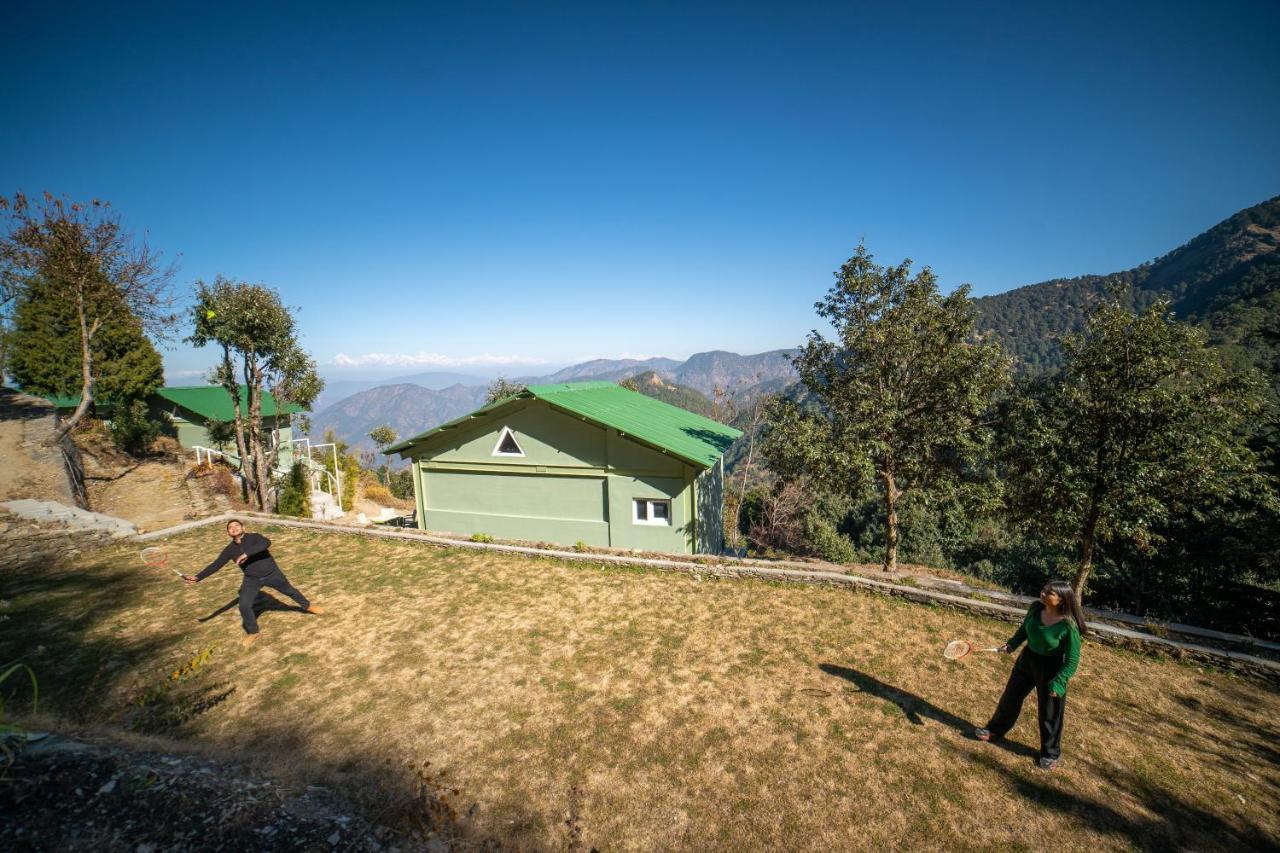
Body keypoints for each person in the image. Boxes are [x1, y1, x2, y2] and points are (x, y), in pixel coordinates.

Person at [974, 579, 1085, 770]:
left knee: (1050, 712)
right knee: (1010, 697)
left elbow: (1072, 660)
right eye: (1043, 589)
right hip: (1027, 660)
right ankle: (995, 730)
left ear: (1061, 600)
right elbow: (1024, 630)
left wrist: (1059, 682)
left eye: (1049, 592)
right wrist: (1012, 644)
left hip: (1051, 669)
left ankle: (1051, 753)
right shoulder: (1035, 608)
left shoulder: (1068, 627)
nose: (1042, 593)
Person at [183, 519, 322, 645]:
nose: (234, 528)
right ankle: (253, 632)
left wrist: (246, 554)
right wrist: (198, 577)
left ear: (243, 528)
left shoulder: (255, 537)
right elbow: (216, 564)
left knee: (290, 591)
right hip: (252, 579)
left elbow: (266, 543)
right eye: (230, 527)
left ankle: (308, 606)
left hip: (272, 573)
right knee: (243, 605)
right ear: (228, 533)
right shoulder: (229, 550)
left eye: (237, 525)